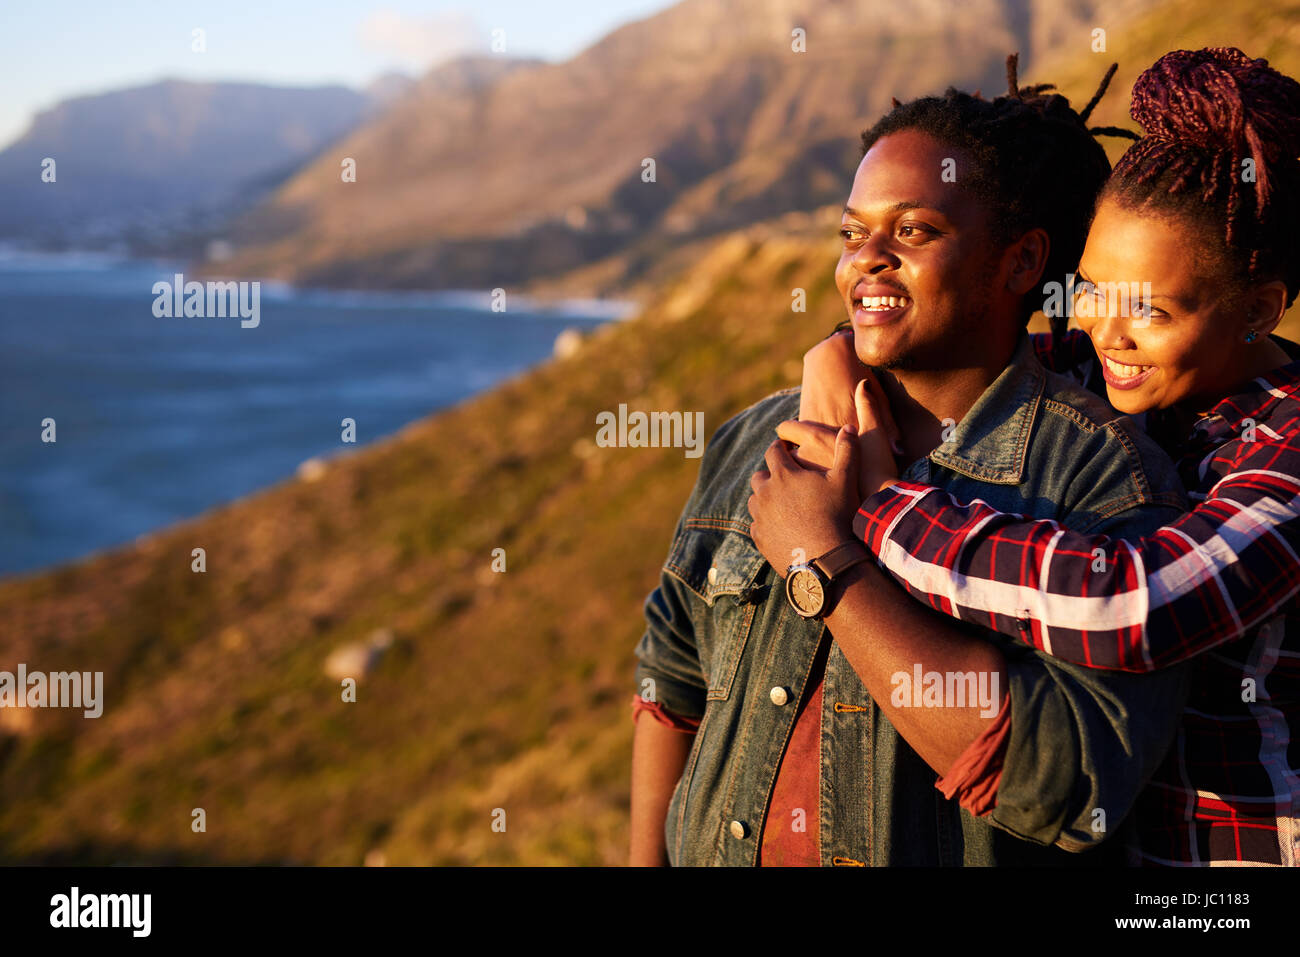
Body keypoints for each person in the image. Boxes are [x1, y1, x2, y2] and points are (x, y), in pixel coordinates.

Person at [629, 59, 1191, 866]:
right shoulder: (757, 439)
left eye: (913, 231)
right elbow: (669, 676)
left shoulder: (1098, 477)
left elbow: (1066, 787)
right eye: (853, 234)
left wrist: (827, 563)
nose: (867, 260)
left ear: (1022, 261)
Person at [784, 47, 1300, 866]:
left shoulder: (1289, 455)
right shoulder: (1115, 369)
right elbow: (946, 334)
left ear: (1260, 308)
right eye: (1091, 288)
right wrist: (838, 352)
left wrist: (874, 515)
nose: (1106, 331)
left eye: (1153, 311)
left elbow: (1129, 606)